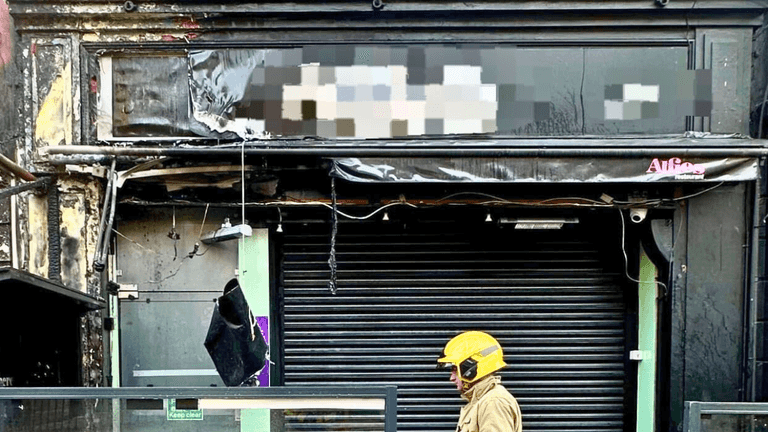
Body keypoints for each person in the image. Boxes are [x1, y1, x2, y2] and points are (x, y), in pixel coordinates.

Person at [437, 331, 522, 432]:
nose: (452, 378)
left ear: (469, 368)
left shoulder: (493, 402)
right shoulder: (481, 401)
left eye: (455, 370)